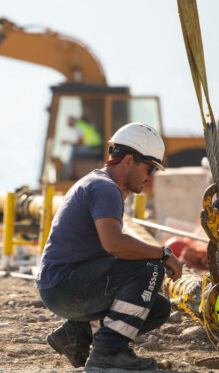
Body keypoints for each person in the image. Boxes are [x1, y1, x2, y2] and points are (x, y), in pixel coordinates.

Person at [36, 122, 183, 371]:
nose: (150, 178)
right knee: (150, 269)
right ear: (128, 160)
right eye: (149, 168)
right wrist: (163, 254)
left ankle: (76, 334)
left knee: (157, 308)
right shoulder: (105, 188)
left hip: (63, 285)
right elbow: (115, 244)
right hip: (65, 287)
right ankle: (108, 354)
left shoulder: (101, 184)